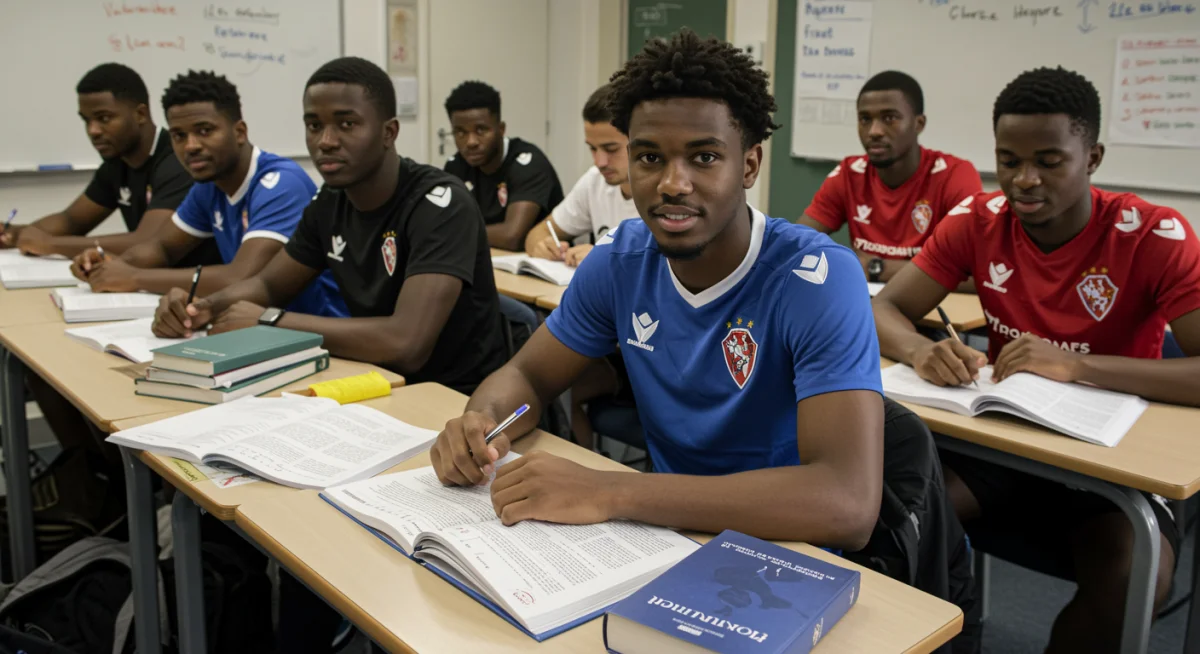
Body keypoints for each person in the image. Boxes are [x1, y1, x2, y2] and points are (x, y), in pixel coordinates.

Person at [430, 30, 884, 551]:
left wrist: (613, 491)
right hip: (658, 535)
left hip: (784, 544)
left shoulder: (816, 278)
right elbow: (527, 375)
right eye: (648, 158)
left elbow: (845, 503)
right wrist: (480, 423)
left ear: (750, 165)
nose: (672, 182)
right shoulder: (618, 262)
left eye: (704, 157)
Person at [150, 55, 507, 654]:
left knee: (317, 544)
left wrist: (270, 319)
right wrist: (201, 305)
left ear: (389, 131)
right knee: (257, 508)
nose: (325, 141)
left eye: (346, 123)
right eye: (314, 125)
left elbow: (406, 341)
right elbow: (266, 285)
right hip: (372, 397)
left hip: (452, 411)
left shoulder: (439, 203)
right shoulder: (329, 203)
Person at [872, 66, 1200, 652]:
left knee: (1132, 578)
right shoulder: (978, 219)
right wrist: (922, 351)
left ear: (1092, 156)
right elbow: (884, 310)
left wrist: (1079, 366)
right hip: (1003, 441)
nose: (1024, 180)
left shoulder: (1154, 235)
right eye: (1008, 159)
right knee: (891, 516)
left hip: (1112, 457)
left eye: (1049, 161)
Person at [69, 70, 345, 321]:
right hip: (257, 325)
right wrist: (107, 264)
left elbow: (241, 276)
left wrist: (134, 277)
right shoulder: (208, 186)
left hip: (319, 331)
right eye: (178, 135)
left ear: (239, 132)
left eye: (204, 131)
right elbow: (161, 248)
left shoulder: (281, 183)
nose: (190, 146)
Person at [0, 63, 219, 267]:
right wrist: (15, 233)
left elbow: (148, 240)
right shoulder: (117, 162)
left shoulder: (179, 161)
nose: (93, 130)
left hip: (195, 287)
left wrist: (50, 245)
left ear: (140, 114)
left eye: (104, 118)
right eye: (86, 120)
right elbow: (71, 220)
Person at [521, 83, 640, 448]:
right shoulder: (595, 182)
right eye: (592, 149)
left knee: (556, 389)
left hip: (640, 348)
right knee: (547, 384)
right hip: (601, 340)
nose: (599, 162)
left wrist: (605, 259)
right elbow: (537, 233)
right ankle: (581, 463)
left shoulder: (662, 197)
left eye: (610, 149)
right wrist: (545, 244)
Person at [798, 71, 981, 287]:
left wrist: (876, 267)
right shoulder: (850, 172)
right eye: (865, 119)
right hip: (866, 308)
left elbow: (978, 274)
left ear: (919, 124)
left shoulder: (954, 175)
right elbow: (797, 244)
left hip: (929, 311)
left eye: (889, 118)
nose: (874, 131)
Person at [443, 80, 564, 250]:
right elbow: (443, 224)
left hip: (536, 266)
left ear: (501, 129)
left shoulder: (528, 163)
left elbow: (511, 236)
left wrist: (456, 232)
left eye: (480, 130)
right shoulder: (456, 166)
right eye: (460, 132)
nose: (471, 142)